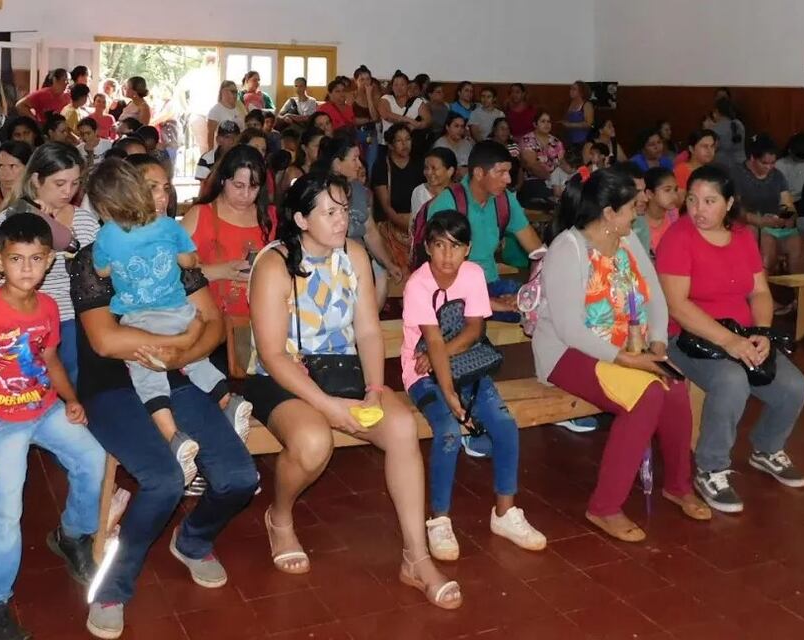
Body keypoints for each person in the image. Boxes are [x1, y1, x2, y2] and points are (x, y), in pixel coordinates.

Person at [246, 171, 462, 609]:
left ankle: (415, 557)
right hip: (284, 378)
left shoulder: (355, 255)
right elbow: (271, 355)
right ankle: (280, 517)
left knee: (401, 427)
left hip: (343, 373)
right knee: (312, 440)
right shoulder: (274, 263)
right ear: (302, 219)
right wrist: (329, 407)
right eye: (329, 211)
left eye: (344, 208)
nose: (342, 219)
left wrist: (376, 387)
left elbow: (366, 329)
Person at [71, 166, 258, 640]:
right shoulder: (94, 256)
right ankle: (113, 586)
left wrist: (183, 351)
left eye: (162, 186)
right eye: (149, 186)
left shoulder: (172, 243)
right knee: (164, 481)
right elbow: (106, 341)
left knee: (240, 478)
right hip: (114, 386)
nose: (160, 195)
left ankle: (192, 541)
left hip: (176, 373)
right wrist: (173, 347)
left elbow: (211, 321)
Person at [532, 169, 710, 542]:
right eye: (632, 206)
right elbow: (569, 329)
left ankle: (678, 485)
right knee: (645, 397)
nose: (638, 211)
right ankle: (605, 507)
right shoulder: (569, 249)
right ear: (609, 213)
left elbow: (655, 298)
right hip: (569, 353)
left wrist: (658, 344)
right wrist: (630, 360)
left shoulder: (626, 242)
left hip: (628, 347)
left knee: (674, 388)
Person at [0, 212, 105, 640]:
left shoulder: (46, 307)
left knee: (93, 457)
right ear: (0, 262)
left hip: (42, 407)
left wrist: (72, 400)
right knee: (5, 510)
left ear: (50, 262)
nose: (27, 268)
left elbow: (50, 361)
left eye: (37, 259)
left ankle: (73, 534)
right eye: (17, 259)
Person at [88, 158, 249, 487]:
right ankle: (227, 401)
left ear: (102, 207)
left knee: (149, 375)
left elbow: (102, 271)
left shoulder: (106, 236)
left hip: (140, 320)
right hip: (180, 312)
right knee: (198, 362)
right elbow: (190, 260)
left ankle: (174, 438)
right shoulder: (167, 227)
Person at [658, 165, 804, 513]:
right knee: (731, 380)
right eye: (693, 199)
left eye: (710, 201)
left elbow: (758, 291)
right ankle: (711, 469)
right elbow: (678, 307)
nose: (699, 209)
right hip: (687, 338)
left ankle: (767, 448)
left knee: (794, 387)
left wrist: (761, 333)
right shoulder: (679, 237)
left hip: (741, 334)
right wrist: (730, 343)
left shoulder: (741, 236)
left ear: (729, 203)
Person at [404, 211, 546, 559]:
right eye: (438, 246)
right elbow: (432, 342)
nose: (446, 256)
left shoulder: (472, 274)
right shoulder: (418, 284)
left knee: (505, 426)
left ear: (467, 250)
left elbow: (474, 330)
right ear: (427, 247)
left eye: (455, 247)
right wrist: (449, 394)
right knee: (449, 432)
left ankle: (505, 512)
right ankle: (439, 520)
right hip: (421, 373)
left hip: (467, 364)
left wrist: (450, 365)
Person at [0, 142, 99, 386]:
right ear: (36, 181)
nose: (68, 192)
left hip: (68, 321)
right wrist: (24, 223)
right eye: (59, 184)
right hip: (20, 322)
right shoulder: (10, 218)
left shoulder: (85, 222)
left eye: (75, 183)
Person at [425, 141, 543, 326]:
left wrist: (527, 295)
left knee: (538, 302)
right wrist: (489, 304)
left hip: (491, 284)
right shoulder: (448, 204)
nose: (508, 180)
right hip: (453, 291)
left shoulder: (505, 201)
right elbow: (440, 275)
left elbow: (538, 252)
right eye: (501, 172)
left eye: (509, 172)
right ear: (479, 173)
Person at [181, 144, 276, 319]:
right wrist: (220, 271)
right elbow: (169, 273)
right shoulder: (201, 215)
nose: (245, 194)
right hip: (209, 321)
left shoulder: (270, 217)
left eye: (253, 187)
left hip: (260, 319)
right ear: (223, 180)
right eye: (238, 186)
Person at [314, 133, 402, 308]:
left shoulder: (359, 190)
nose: (359, 165)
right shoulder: (319, 191)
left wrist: (388, 263)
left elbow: (370, 231)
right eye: (354, 159)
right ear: (337, 163)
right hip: (329, 267)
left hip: (357, 263)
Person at [731, 134, 801, 292]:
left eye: (773, 163)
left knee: (795, 240)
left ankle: (800, 297)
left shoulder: (777, 176)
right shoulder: (737, 174)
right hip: (748, 221)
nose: (769, 167)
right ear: (752, 158)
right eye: (764, 163)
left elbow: (787, 203)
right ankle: (761, 293)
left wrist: (786, 218)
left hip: (772, 222)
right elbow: (735, 207)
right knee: (758, 235)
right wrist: (757, 220)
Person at [372, 124, 426, 272]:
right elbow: (386, 207)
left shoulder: (419, 164)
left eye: (408, 139)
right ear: (390, 144)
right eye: (399, 141)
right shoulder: (382, 167)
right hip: (393, 223)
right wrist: (407, 226)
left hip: (415, 221)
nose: (405, 144)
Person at [519, 111, 564, 207]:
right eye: (543, 121)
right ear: (535, 124)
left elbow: (563, 163)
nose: (547, 124)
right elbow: (532, 166)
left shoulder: (556, 142)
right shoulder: (527, 140)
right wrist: (552, 180)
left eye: (549, 122)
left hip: (556, 181)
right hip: (534, 181)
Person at [632, 166, 679, 257]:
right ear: (649, 194)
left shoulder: (674, 217)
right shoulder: (636, 222)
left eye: (675, 190)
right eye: (667, 190)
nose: (674, 196)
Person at [377, 70, 431, 148]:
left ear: (407, 86)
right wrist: (409, 120)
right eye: (396, 85)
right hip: (388, 145)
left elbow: (428, 120)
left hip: (409, 146)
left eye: (402, 84)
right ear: (392, 87)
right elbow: (386, 115)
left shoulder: (417, 101)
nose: (399, 88)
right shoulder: (386, 98)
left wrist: (416, 126)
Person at [673, 129, 717, 204]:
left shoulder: (713, 170)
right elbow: (680, 202)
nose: (710, 151)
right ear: (691, 149)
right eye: (705, 146)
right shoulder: (681, 170)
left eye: (712, 146)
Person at [411, 147, 457, 218]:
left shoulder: (459, 194)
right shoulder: (419, 192)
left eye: (434, 168)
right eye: (426, 168)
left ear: (450, 171)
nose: (429, 173)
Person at [206, 80, 247, 152]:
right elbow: (210, 135)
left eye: (236, 92)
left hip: (241, 147)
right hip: (225, 150)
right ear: (223, 92)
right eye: (232, 91)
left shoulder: (240, 106)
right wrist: (210, 154)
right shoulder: (215, 110)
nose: (235, 94)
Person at [433, 112, 473, 178]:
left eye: (462, 126)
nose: (460, 130)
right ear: (447, 127)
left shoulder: (467, 144)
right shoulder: (440, 145)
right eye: (456, 126)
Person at [712, 98, 746, 169]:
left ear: (717, 112)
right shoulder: (739, 124)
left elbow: (711, 149)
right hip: (741, 164)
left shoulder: (715, 129)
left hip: (722, 166)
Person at [562, 81, 594, 146]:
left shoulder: (587, 105)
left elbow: (588, 124)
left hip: (582, 141)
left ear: (582, 92)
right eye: (570, 89)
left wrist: (571, 125)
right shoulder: (570, 103)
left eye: (574, 89)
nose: (570, 91)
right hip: (569, 139)